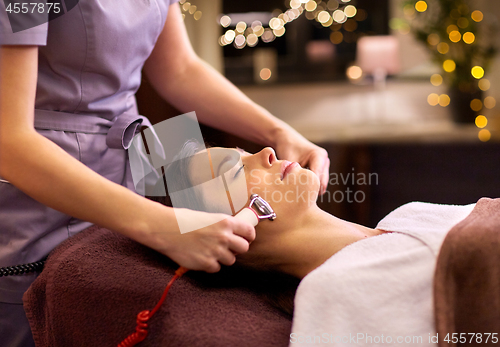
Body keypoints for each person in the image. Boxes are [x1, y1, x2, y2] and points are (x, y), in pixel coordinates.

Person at [0, 1, 330, 346]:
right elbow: (10, 141)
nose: (268, 155)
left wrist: (278, 131)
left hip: (135, 161)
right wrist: (162, 226)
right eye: (235, 165)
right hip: (40, 184)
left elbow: (180, 69)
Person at [165, 143, 476, 346]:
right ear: (228, 235)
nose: (267, 152)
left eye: (244, 151)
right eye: (234, 171)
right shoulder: (331, 295)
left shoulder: (413, 213)